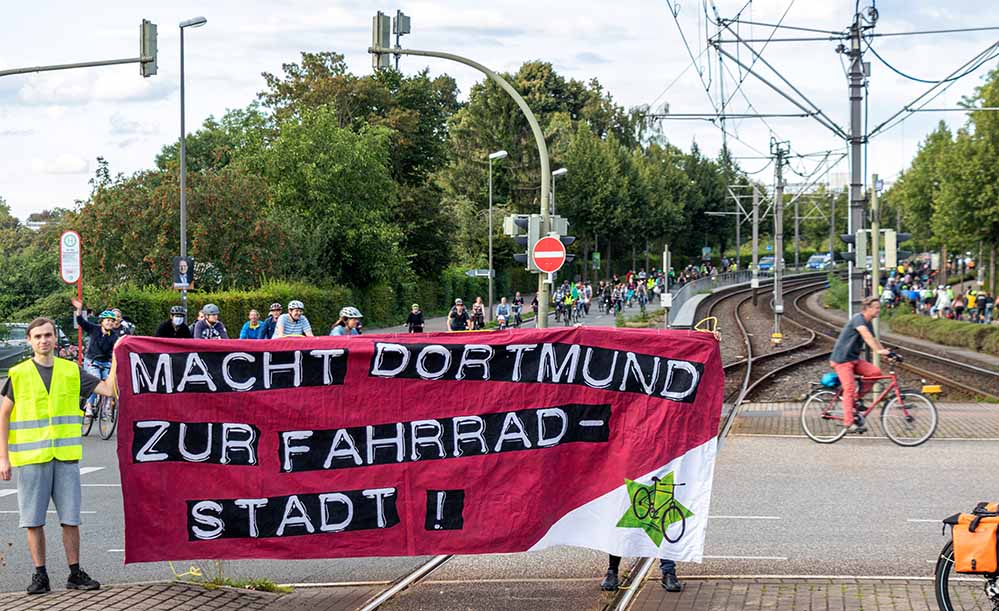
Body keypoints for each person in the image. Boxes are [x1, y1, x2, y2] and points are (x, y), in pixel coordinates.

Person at [0, 317, 113, 594]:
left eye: (48, 335)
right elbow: (3, 414)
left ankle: (75, 574)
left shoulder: (71, 371)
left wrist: (118, 355)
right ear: (30, 341)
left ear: (55, 339)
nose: (43, 340)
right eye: (37, 336)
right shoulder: (19, 373)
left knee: (71, 518)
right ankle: (40, 576)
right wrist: (3, 458)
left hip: (64, 456)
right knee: (33, 520)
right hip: (32, 458)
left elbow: (110, 390)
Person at [830, 296, 890, 433]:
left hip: (853, 359)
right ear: (867, 308)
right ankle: (848, 423)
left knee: (875, 373)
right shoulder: (858, 318)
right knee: (849, 389)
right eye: (876, 308)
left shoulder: (868, 322)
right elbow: (866, 336)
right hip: (842, 360)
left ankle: (855, 400)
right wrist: (877, 351)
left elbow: (874, 339)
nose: (879, 310)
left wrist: (886, 353)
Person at [71, 299, 119, 416]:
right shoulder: (94, 329)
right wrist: (78, 310)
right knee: (96, 381)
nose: (110, 323)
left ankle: (106, 406)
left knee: (109, 383)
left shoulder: (114, 336)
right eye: (108, 320)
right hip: (92, 361)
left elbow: (117, 350)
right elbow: (81, 321)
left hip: (105, 362)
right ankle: (89, 406)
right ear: (102, 321)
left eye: (112, 321)